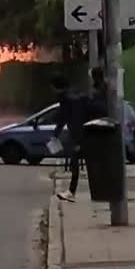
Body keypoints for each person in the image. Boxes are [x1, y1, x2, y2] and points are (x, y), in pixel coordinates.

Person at [52, 74, 87, 202]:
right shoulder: (74, 96)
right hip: (83, 133)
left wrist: (77, 140)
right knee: (79, 163)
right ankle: (72, 191)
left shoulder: (67, 99)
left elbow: (65, 118)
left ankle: (72, 191)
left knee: (75, 163)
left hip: (78, 135)